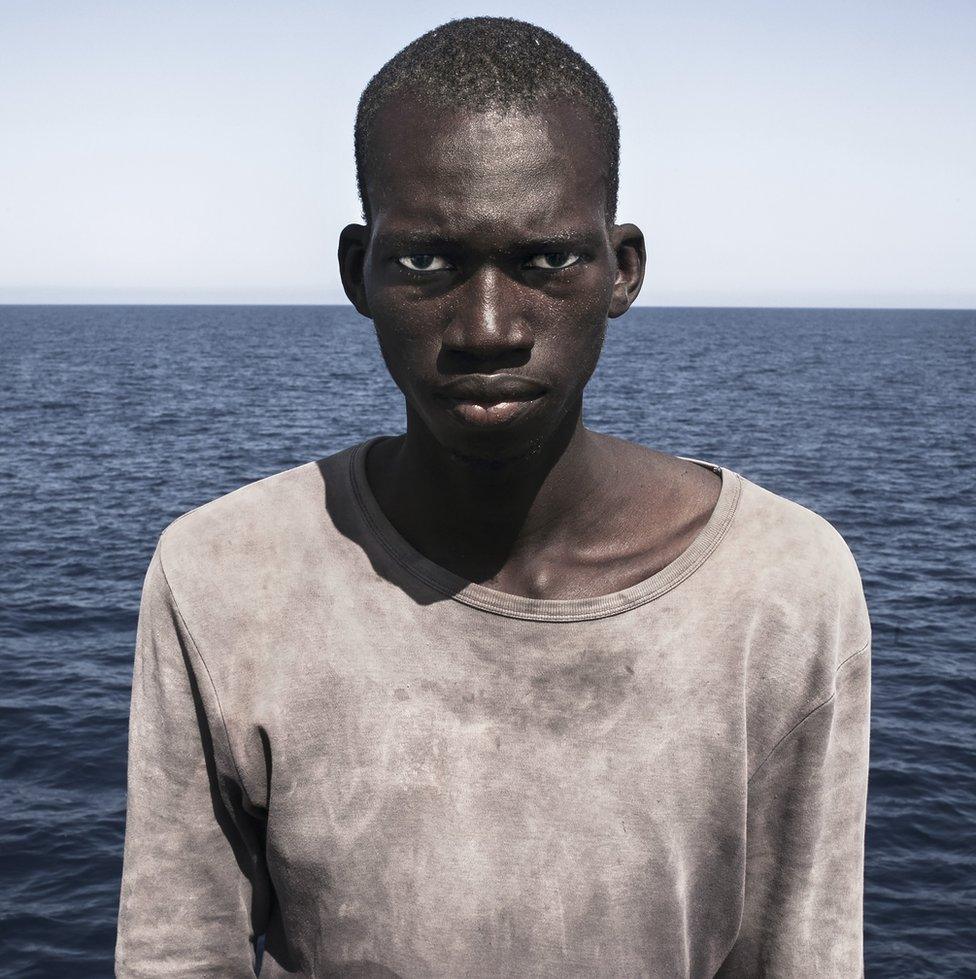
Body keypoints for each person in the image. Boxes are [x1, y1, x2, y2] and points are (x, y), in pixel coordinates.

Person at [115, 17, 871, 978]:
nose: (486, 327)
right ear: (359, 272)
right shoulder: (222, 574)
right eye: (426, 262)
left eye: (546, 259)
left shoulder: (783, 587)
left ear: (622, 269)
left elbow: (804, 956)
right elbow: (176, 955)